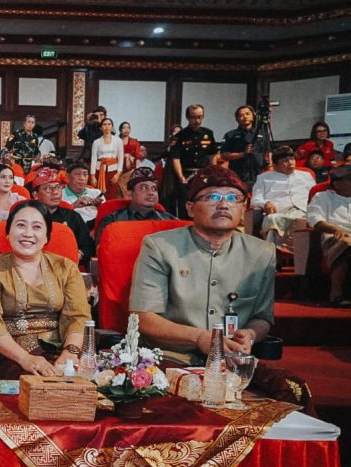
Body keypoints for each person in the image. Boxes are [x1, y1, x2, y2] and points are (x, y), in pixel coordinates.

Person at [130, 165, 310, 406]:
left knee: (295, 393)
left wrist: (251, 334)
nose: (224, 204)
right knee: (179, 404)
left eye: (233, 198)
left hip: (233, 363)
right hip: (170, 360)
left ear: (243, 208)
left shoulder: (262, 253)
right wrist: (199, 338)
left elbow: (262, 317)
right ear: (190, 208)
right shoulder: (160, 247)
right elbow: (143, 317)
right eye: (213, 197)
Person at [0, 200, 90, 378]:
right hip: (13, 357)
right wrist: (25, 359)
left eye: (37, 227)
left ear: (47, 237)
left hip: (62, 352)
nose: (28, 234)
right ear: (8, 233)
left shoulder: (65, 268)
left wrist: (70, 353)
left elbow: (77, 315)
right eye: (20, 225)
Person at [251, 145, 314, 250]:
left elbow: (315, 195)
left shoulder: (306, 175)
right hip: (279, 211)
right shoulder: (264, 178)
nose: (290, 162)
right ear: (275, 165)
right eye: (285, 161)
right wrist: (265, 203)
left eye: (292, 159)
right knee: (272, 220)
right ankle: (271, 255)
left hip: (303, 210)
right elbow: (255, 199)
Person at [306, 164, 351, 307]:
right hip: (334, 235)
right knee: (346, 244)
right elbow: (315, 219)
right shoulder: (323, 197)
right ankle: (336, 294)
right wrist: (336, 230)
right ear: (337, 183)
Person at [95, 167, 178, 243]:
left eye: (154, 189)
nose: (151, 193)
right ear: (130, 193)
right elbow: (102, 249)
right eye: (144, 188)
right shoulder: (113, 220)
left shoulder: (168, 220)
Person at [31, 167, 94, 265]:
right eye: (48, 188)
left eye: (57, 187)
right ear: (35, 195)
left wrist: (79, 254)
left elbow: (88, 245)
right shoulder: (27, 217)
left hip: (66, 267)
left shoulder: (73, 217)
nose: (55, 192)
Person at [170, 104, 219, 218]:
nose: (197, 120)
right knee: (186, 206)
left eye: (199, 117)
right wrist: (181, 177)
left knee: (205, 204)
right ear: (187, 117)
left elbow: (212, 156)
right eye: (193, 117)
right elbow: (175, 158)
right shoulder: (180, 136)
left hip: (203, 175)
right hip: (186, 175)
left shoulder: (208, 133)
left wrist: (214, 174)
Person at [220, 105, 266, 189]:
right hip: (238, 174)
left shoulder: (261, 133)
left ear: (253, 115)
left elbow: (268, 152)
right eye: (241, 115)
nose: (245, 117)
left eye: (247, 114)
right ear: (237, 119)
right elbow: (223, 155)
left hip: (259, 174)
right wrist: (242, 154)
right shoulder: (230, 135)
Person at [90, 118, 124, 199]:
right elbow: (93, 158)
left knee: (111, 196)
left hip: (113, 172)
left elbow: (121, 157)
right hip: (99, 171)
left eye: (109, 124)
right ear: (101, 128)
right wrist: (92, 176)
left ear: (112, 127)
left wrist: (118, 174)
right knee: (99, 196)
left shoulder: (118, 141)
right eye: (104, 124)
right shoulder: (96, 142)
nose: (107, 127)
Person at [62, 160, 104, 225]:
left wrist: (99, 207)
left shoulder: (96, 193)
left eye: (85, 174)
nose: (82, 178)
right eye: (77, 174)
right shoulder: (59, 195)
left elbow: (107, 217)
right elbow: (56, 218)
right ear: (68, 176)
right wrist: (73, 206)